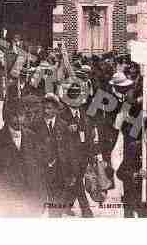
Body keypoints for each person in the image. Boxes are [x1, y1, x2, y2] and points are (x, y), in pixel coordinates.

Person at [0, 98, 46, 216]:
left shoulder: (32, 137)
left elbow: (40, 171)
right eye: (14, 115)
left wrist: (41, 201)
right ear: (7, 117)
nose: (19, 119)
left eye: (21, 115)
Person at [34, 94, 76, 217]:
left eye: (50, 108)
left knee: (56, 204)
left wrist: (71, 172)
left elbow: (69, 150)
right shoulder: (35, 125)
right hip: (42, 170)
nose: (47, 111)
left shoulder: (63, 125)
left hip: (59, 171)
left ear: (57, 110)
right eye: (45, 108)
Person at [59, 82, 94, 217]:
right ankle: (86, 210)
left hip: (83, 153)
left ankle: (67, 205)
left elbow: (89, 132)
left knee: (76, 180)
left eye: (78, 98)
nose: (77, 101)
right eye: (74, 97)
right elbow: (58, 133)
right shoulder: (62, 114)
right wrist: (67, 129)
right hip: (69, 155)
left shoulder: (83, 113)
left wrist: (92, 154)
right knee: (77, 180)